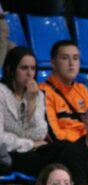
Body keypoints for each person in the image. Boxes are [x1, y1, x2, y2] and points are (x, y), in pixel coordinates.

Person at [0, 46, 47, 175]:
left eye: (33, 68)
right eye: (24, 68)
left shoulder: (37, 95)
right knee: (46, 163)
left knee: (63, 149)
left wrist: (31, 103)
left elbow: (40, 135)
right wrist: (31, 144)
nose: (30, 73)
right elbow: (1, 139)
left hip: (27, 150)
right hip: (7, 152)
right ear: (10, 70)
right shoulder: (1, 93)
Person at [39, 40, 88, 143]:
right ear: (53, 64)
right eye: (65, 58)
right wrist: (84, 139)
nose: (71, 63)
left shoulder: (82, 89)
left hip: (87, 144)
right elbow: (54, 136)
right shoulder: (43, 92)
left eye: (75, 58)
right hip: (66, 147)